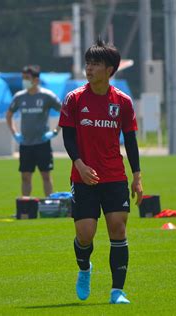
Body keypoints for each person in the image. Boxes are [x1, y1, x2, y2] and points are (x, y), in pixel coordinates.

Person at [58, 39, 143, 304]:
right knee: (85, 234)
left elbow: (130, 140)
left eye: (95, 64)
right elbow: (68, 138)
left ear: (110, 69)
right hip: (83, 177)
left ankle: (117, 292)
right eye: (88, 63)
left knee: (118, 229)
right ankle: (85, 268)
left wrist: (137, 176)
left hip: (115, 176)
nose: (89, 68)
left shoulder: (123, 102)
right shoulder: (74, 99)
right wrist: (79, 165)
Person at [6, 65, 62, 197]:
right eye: (23, 78)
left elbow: (65, 112)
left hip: (42, 144)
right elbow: (9, 115)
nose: (24, 81)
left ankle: (49, 205)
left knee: (46, 176)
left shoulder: (47, 96)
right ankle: (26, 206)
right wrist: (15, 133)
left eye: (27, 78)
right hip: (25, 144)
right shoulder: (19, 97)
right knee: (25, 177)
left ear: (36, 80)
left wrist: (55, 131)